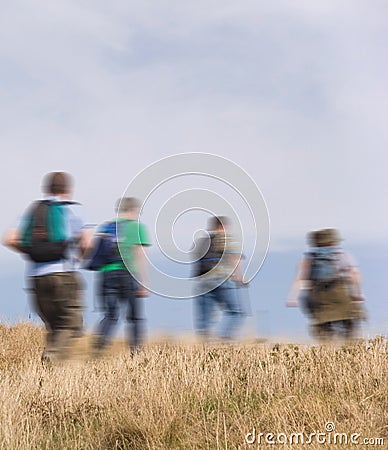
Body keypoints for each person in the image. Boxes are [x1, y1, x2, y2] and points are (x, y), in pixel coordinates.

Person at [2, 172, 89, 363]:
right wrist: (79, 258)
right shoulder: (72, 209)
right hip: (63, 274)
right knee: (71, 323)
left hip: (36, 277)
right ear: (68, 190)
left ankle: (51, 374)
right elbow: (86, 243)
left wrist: (31, 251)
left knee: (54, 326)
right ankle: (52, 357)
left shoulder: (33, 210)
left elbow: (9, 238)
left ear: (47, 189)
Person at [92, 197, 151, 354]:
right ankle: (136, 353)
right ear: (133, 210)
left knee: (110, 315)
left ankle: (100, 342)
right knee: (134, 317)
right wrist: (143, 282)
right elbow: (138, 254)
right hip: (127, 274)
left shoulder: (106, 228)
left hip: (106, 275)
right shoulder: (137, 227)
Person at [287, 228, 366, 341]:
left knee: (323, 329)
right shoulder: (341, 255)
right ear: (333, 241)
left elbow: (300, 279)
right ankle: (350, 349)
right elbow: (354, 275)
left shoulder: (309, 259)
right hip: (340, 296)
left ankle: (328, 349)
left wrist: (292, 297)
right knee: (350, 325)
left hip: (318, 299)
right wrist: (357, 293)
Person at [193, 216, 244, 341]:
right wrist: (240, 277)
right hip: (223, 279)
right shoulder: (226, 238)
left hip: (203, 281)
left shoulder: (202, 241)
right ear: (222, 227)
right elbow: (234, 258)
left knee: (205, 318)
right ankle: (225, 337)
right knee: (236, 312)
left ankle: (205, 343)